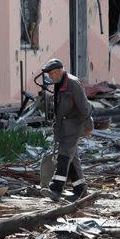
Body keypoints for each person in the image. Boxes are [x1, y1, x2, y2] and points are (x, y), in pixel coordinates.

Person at [39, 58, 93, 202]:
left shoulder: (72, 83)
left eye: (51, 75)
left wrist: (89, 126)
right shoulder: (59, 83)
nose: (50, 78)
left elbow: (85, 106)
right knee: (72, 158)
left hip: (74, 126)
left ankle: (56, 189)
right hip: (64, 126)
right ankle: (80, 190)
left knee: (63, 156)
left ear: (58, 72)